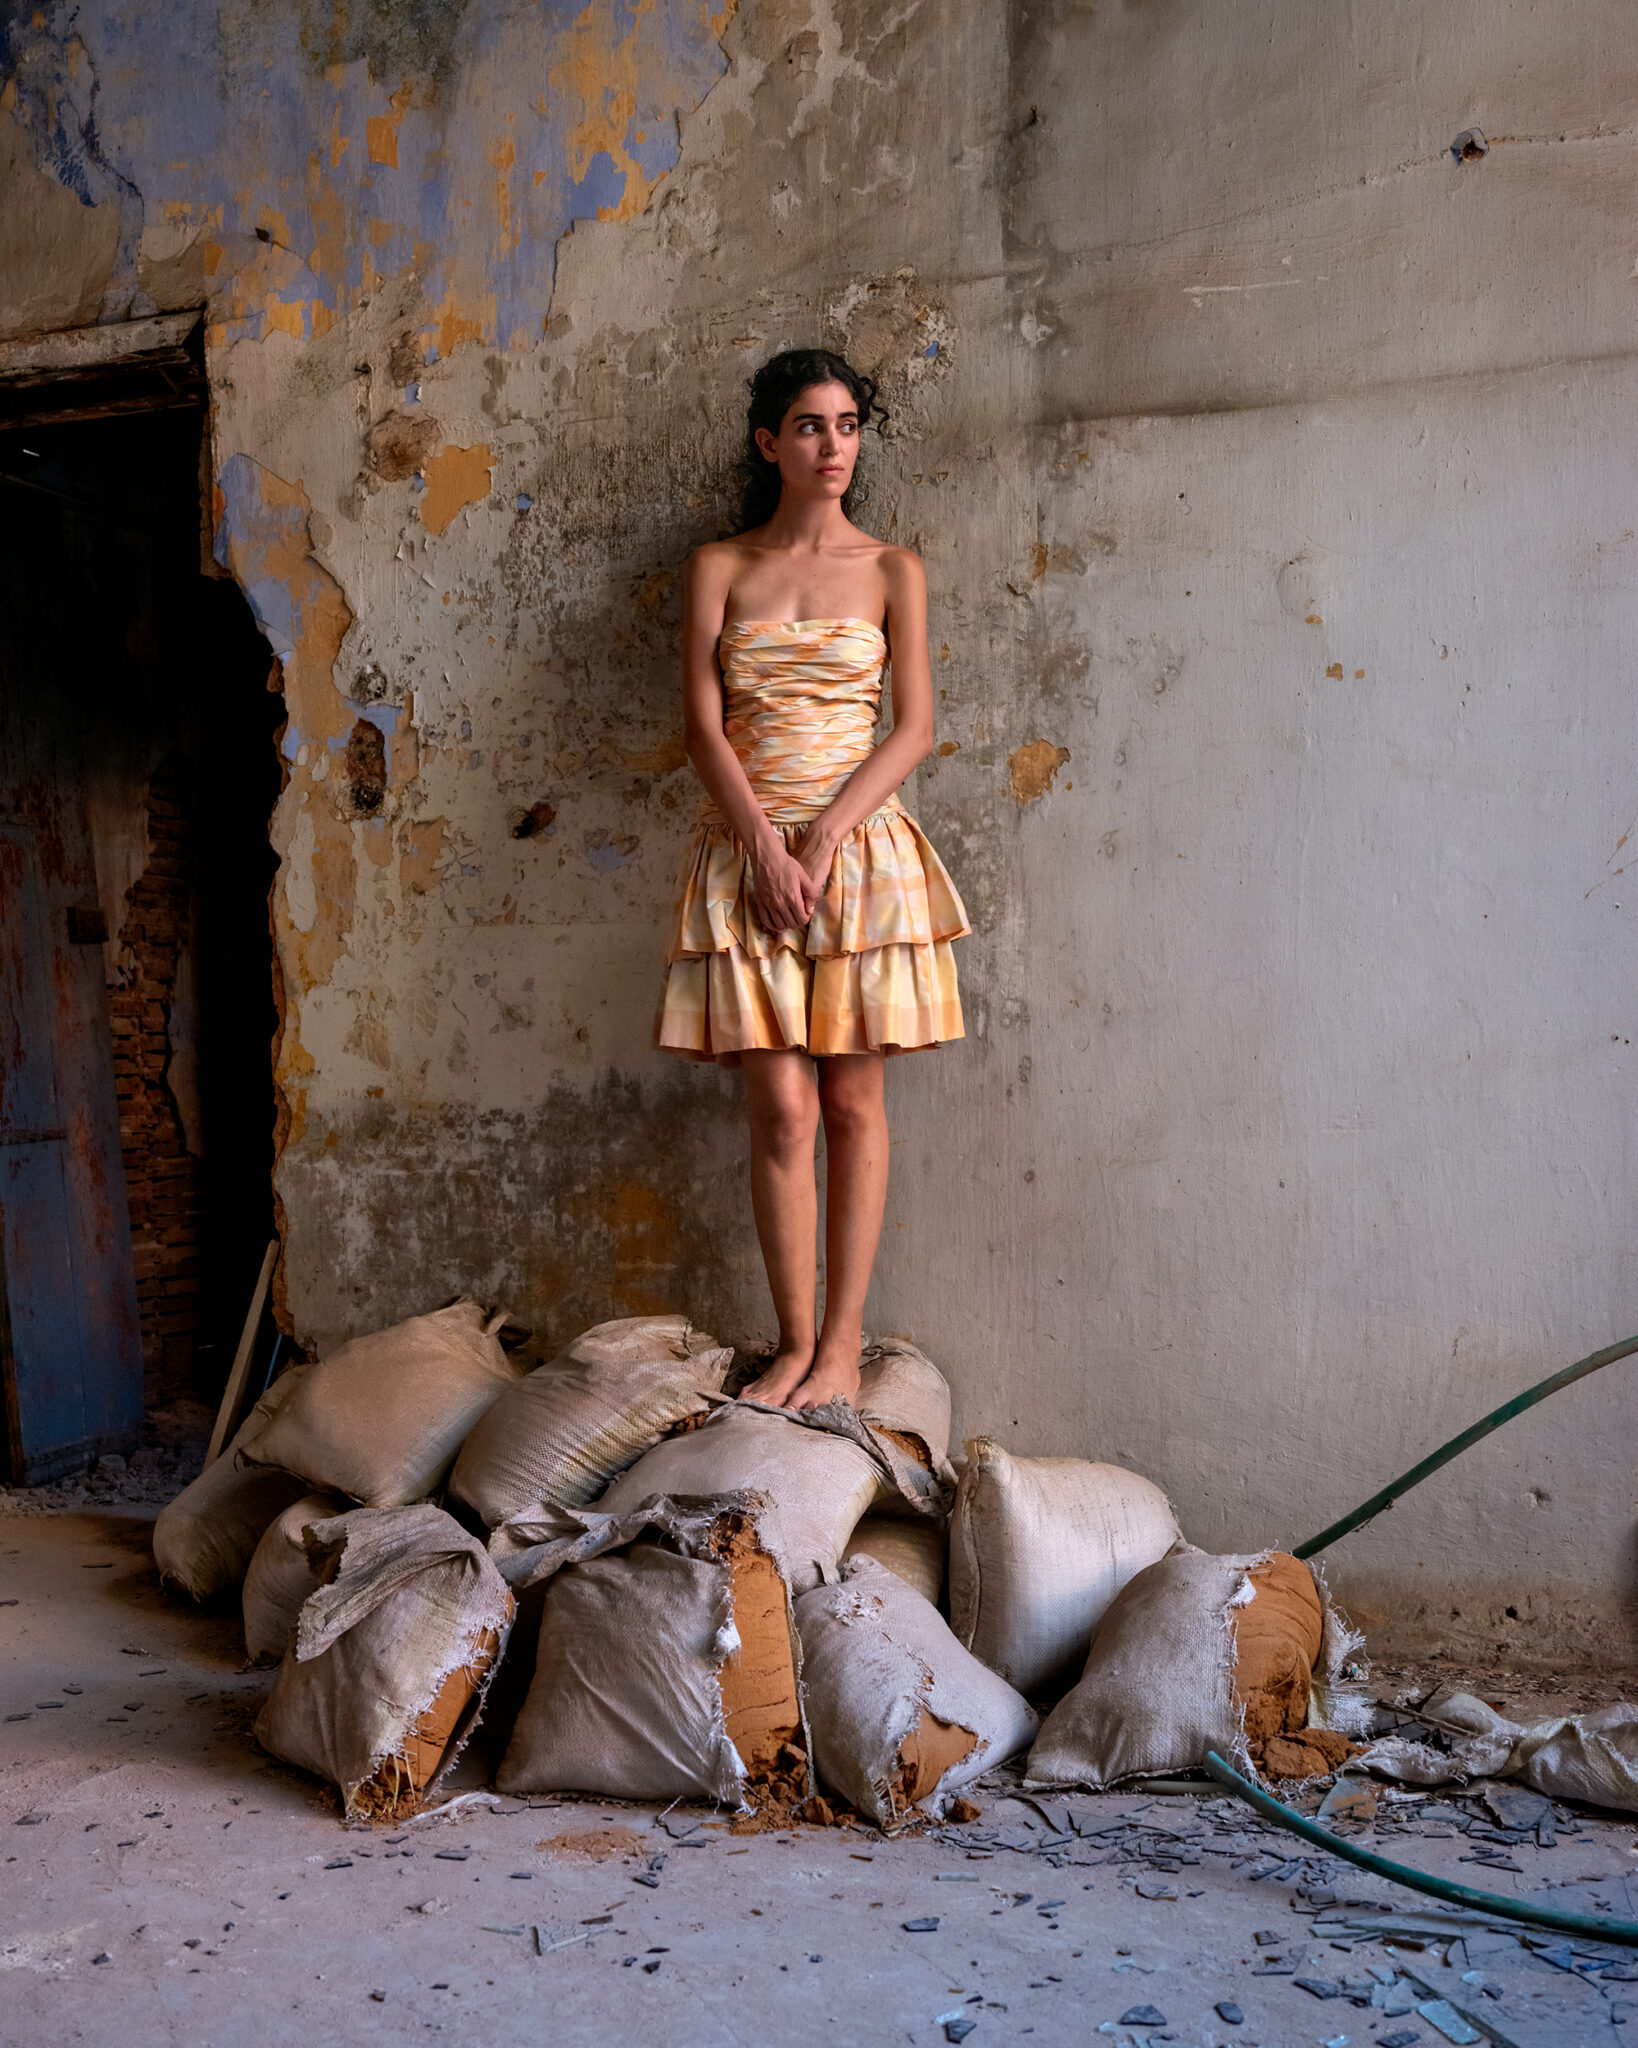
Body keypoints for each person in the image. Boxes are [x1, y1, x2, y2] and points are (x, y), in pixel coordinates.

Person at [655, 348, 969, 1411]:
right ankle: (793, 1343)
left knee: (851, 1100)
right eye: (809, 426)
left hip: (858, 850)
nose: (832, 446)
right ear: (767, 442)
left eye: (846, 425)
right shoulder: (718, 566)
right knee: (782, 1107)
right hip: (748, 851)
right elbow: (702, 725)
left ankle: (843, 1347)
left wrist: (827, 837)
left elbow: (915, 725)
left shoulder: (894, 571)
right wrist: (760, 843)